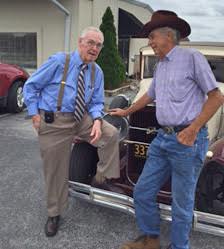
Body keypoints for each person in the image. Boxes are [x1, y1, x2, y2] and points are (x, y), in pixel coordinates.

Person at [109, 10, 224, 249]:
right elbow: (150, 95)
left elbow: (216, 97)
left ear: (168, 35)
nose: (149, 42)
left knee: (181, 203)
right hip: (163, 138)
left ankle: (179, 246)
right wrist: (126, 112)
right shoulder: (160, 66)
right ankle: (151, 239)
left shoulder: (193, 58)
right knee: (142, 191)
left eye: (152, 36)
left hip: (188, 141)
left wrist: (193, 129)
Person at [23, 26, 120, 237]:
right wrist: (34, 114)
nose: (94, 48)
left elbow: (96, 102)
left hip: (81, 118)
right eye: (91, 43)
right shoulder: (60, 61)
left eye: (99, 45)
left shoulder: (97, 71)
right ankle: (54, 213)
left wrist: (96, 120)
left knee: (111, 134)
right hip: (55, 121)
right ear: (80, 42)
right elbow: (31, 86)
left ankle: (100, 179)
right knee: (55, 171)